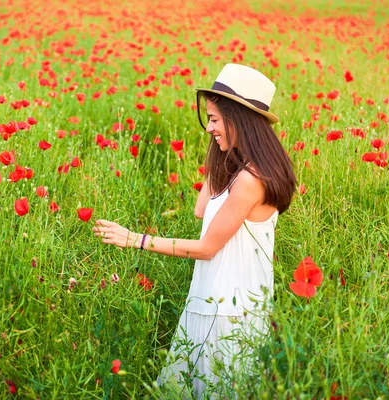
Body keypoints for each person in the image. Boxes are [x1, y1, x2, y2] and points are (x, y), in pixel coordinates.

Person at [93, 63, 296, 398]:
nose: (209, 128)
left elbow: (206, 248)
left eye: (215, 120)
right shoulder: (239, 170)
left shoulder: (250, 180)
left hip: (231, 312)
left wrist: (135, 239)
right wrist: (220, 149)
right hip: (209, 300)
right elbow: (201, 209)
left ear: (239, 121)